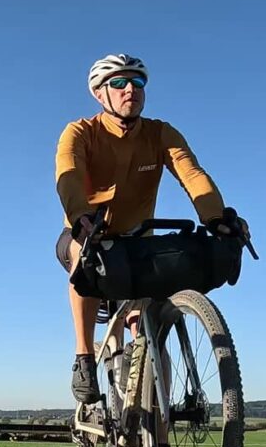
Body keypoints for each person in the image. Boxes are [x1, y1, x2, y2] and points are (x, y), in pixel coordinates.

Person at [54, 53, 243, 406]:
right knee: (84, 256)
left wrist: (216, 217)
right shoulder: (81, 132)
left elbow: (192, 174)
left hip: (139, 243)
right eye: (119, 83)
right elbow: (69, 174)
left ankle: (155, 421)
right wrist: (81, 216)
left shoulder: (160, 134)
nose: (130, 90)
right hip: (86, 233)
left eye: (137, 83)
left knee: (146, 328)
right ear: (99, 94)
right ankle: (83, 356)